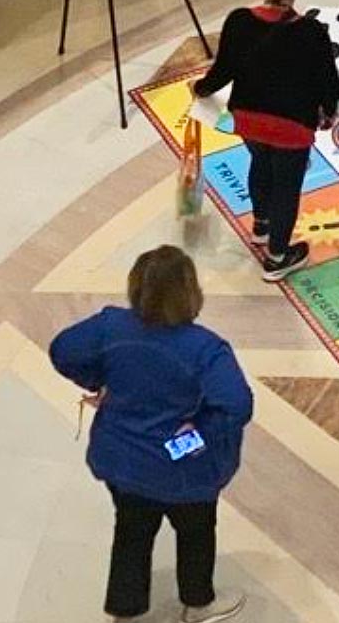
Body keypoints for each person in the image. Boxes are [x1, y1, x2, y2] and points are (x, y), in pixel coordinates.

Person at [50, 246, 254, 623]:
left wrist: (97, 380)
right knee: (195, 533)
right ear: (190, 292)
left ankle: (126, 613)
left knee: (131, 534)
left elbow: (62, 351)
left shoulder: (111, 327)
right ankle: (198, 603)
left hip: (123, 465)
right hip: (186, 474)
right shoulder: (205, 349)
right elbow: (237, 404)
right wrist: (195, 437)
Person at [191, 0, 339, 277]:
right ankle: (277, 257)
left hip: (248, 119)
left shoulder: (238, 21)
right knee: (287, 187)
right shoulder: (312, 32)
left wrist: (200, 90)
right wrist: (328, 112)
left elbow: (222, 72)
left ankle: (261, 224)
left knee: (260, 163)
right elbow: (329, 83)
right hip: (292, 128)